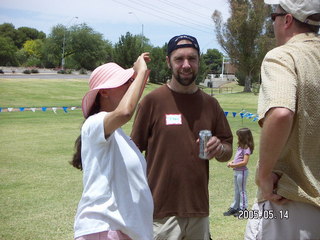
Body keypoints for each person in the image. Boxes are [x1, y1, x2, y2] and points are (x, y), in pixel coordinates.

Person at [130, 34, 233, 240]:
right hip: (160, 215)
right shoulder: (152, 102)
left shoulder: (210, 104)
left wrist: (219, 149)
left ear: (198, 61)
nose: (186, 65)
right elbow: (132, 153)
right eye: (179, 59)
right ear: (168, 62)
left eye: (192, 58)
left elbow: (227, 149)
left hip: (198, 212)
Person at [245, 0, 320, 239]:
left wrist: (263, 175)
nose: (273, 24)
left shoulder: (282, 56)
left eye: (273, 17)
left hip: (287, 204)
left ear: (287, 20)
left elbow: (280, 112)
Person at [70, 53, 154, 240]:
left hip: (121, 232)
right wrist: (139, 72)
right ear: (104, 92)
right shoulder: (94, 123)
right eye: (124, 82)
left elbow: (129, 103)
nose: (130, 86)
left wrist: (141, 73)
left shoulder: (117, 135)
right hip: (106, 229)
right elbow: (125, 111)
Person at [223, 128, 254, 217]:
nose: (238, 138)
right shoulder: (240, 146)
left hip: (242, 172)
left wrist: (234, 165)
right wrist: (232, 162)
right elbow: (237, 159)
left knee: (242, 191)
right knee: (237, 190)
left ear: (243, 137)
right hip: (236, 171)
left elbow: (244, 162)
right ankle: (235, 207)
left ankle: (243, 209)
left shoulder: (246, 148)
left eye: (239, 136)